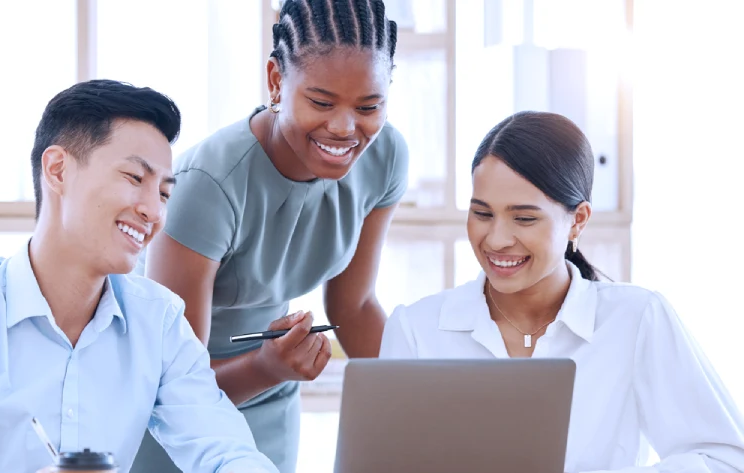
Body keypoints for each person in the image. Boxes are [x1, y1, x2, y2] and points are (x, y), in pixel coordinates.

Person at [0, 80, 278, 473]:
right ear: (57, 170)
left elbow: (225, 451)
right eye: (133, 177)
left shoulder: (159, 322)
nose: (153, 211)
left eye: (164, 192)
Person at [379, 111, 744, 472]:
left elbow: (725, 459)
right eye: (482, 213)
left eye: (524, 218)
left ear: (578, 220)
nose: (497, 239)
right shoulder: (416, 330)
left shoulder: (635, 320)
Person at [132, 1, 408, 472]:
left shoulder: (383, 158)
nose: (345, 128)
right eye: (321, 102)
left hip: (270, 395)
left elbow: (354, 307)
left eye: (369, 106)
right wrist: (266, 367)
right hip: (170, 414)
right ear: (277, 81)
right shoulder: (208, 184)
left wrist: (425, 397)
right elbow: (175, 386)